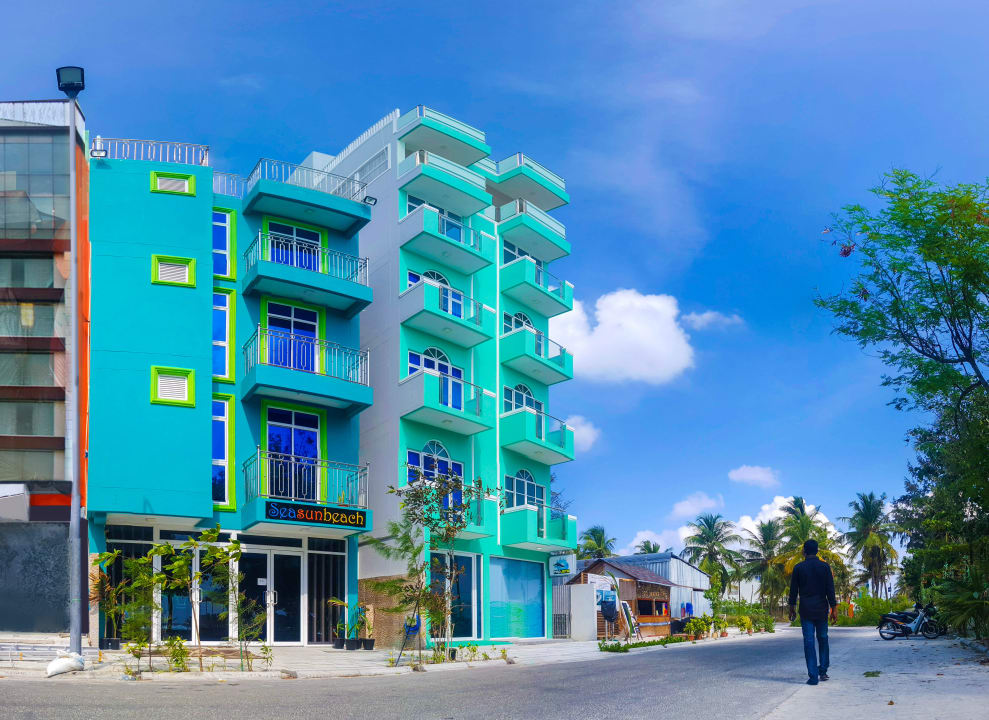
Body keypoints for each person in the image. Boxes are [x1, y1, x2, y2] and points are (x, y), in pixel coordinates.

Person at [788, 538, 838, 685]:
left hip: (806, 610)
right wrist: (834, 609)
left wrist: (791, 608)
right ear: (817, 551)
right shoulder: (825, 567)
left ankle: (813, 676)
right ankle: (823, 671)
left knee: (809, 642)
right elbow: (830, 590)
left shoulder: (798, 568)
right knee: (823, 638)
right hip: (822, 609)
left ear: (804, 551)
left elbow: (793, 591)